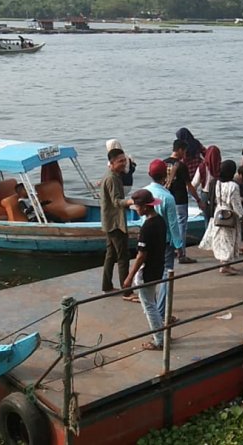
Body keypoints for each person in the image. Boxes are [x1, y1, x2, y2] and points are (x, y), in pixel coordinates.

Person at [122, 189, 167, 351]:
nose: (137, 210)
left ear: (146, 207)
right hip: (158, 266)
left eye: (138, 207)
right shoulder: (160, 221)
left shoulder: (147, 227)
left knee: (149, 307)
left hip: (147, 271)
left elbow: (141, 256)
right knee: (152, 303)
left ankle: (159, 340)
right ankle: (160, 333)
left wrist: (129, 277)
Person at [145, 159, 182, 324]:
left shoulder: (144, 193)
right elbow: (173, 224)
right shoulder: (168, 197)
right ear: (165, 175)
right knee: (167, 277)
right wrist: (179, 245)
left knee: (150, 277)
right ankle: (161, 313)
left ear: (149, 174)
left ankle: (154, 312)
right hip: (165, 243)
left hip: (148, 242)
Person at [198, 160, 243, 275]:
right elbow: (236, 204)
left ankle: (224, 264)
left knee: (222, 240)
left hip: (218, 212)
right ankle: (225, 266)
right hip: (229, 214)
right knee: (229, 240)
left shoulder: (216, 182)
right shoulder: (233, 186)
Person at [100, 148, 137, 301]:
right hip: (115, 223)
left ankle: (106, 286)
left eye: (124, 160)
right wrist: (132, 202)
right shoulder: (113, 178)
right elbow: (116, 202)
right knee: (123, 257)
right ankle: (126, 291)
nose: (123, 164)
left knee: (110, 254)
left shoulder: (112, 176)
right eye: (120, 161)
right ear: (112, 163)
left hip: (108, 221)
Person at [164, 139, 206, 264]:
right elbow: (189, 186)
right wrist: (198, 200)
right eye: (185, 151)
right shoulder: (181, 166)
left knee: (168, 225)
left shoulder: (163, 163)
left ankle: (168, 250)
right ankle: (181, 253)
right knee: (181, 226)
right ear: (181, 150)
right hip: (180, 200)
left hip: (166, 198)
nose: (186, 154)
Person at [191, 145, 221, 227]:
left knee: (207, 221)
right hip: (219, 195)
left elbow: (193, 185)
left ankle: (208, 237)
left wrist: (198, 200)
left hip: (206, 195)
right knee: (219, 220)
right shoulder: (221, 167)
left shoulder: (202, 167)